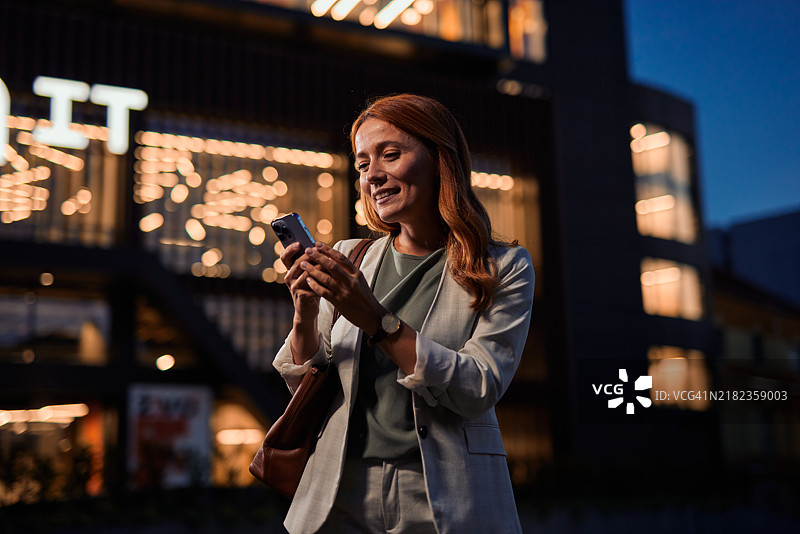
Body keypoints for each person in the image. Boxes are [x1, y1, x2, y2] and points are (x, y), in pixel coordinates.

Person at [273, 94, 534, 534]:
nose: (373, 174)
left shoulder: (503, 266)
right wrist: (305, 312)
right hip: (339, 490)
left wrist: (376, 318)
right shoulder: (348, 257)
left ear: (439, 159)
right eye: (361, 164)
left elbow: (479, 386)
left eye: (390, 155)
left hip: (443, 494)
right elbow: (304, 383)